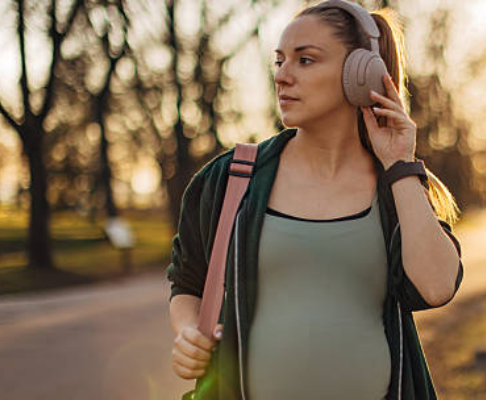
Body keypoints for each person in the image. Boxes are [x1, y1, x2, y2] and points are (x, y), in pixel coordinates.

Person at [166, 1, 463, 399]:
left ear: (361, 72)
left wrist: (399, 163)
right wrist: (189, 333)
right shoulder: (230, 178)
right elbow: (188, 282)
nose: (282, 77)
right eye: (279, 62)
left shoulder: (394, 187)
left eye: (305, 60)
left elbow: (437, 286)